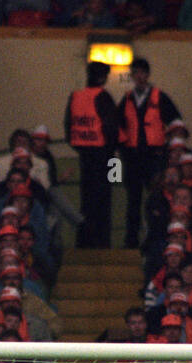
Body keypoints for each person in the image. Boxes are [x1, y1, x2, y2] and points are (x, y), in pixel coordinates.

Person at [116, 57, 181, 249]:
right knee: (133, 201)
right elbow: (118, 128)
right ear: (132, 76)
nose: (140, 77)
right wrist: (122, 150)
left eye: (143, 73)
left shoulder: (160, 97)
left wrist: (170, 148)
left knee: (157, 200)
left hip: (155, 157)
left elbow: (177, 122)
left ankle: (157, 238)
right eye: (136, 73)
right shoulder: (126, 99)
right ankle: (131, 241)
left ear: (148, 74)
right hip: (133, 158)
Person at [64, 60, 118, 248]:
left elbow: (68, 128)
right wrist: (112, 156)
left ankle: (84, 242)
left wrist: (81, 147)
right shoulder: (103, 97)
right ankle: (101, 243)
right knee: (103, 200)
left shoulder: (76, 96)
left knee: (86, 201)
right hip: (105, 156)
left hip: (84, 155)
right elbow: (112, 129)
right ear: (103, 77)